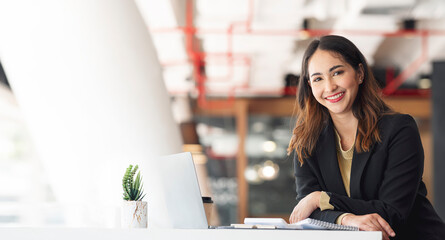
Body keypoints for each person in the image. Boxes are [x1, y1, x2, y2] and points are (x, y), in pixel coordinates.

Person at [287, 35, 445, 240]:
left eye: (337, 72)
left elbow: (391, 213)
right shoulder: (307, 142)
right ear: (309, 86)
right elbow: (307, 213)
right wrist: (346, 219)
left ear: (360, 73)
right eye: (318, 78)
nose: (330, 86)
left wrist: (321, 198)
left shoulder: (399, 130)